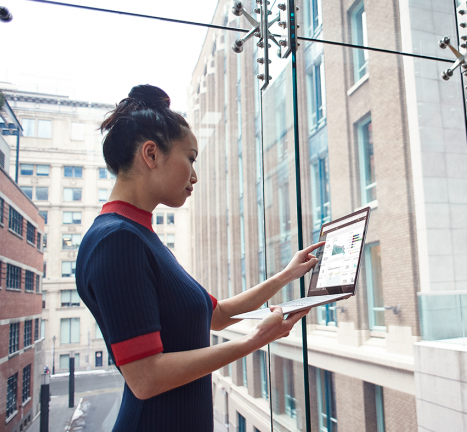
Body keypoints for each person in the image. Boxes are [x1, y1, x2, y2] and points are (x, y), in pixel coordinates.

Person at [75, 84, 322, 431]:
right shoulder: (117, 240)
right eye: (190, 158)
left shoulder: (138, 236)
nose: (194, 175)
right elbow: (146, 378)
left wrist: (285, 276)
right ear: (151, 154)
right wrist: (256, 340)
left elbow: (217, 315)